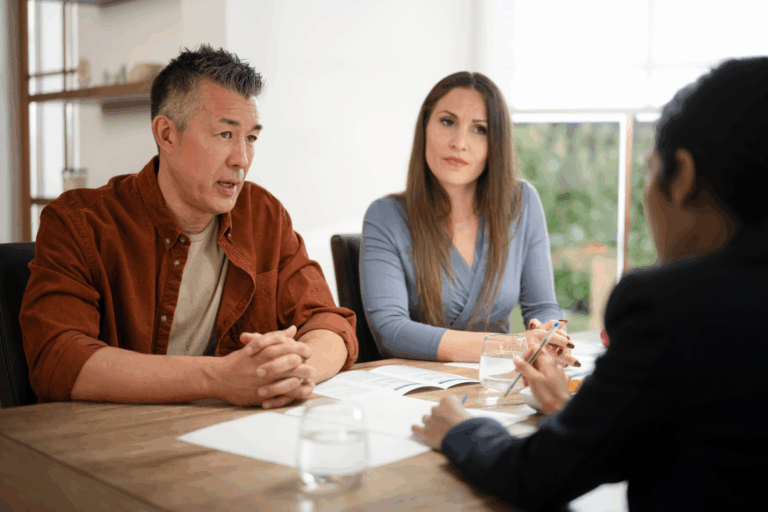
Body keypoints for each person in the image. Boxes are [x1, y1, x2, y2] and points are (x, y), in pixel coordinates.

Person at [412, 57, 768, 511]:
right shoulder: (390, 215)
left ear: (682, 177)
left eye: (648, 170)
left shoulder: (672, 309)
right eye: (447, 122)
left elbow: (535, 475)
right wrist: (574, 414)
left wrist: (462, 429)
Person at [19, 45, 357, 408]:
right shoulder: (78, 221)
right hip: (119, 444)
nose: (242, 159)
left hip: (233, 437)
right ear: (166, 135)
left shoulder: (263, 214)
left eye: (251, 138)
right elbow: (58, 359)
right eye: (225, 135)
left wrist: (294, 369)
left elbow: (329, 323)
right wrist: (220, 377)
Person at [360, 71, 575, 364]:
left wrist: (549, 336)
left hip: (497, 385)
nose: (459, 142)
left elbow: (543, 306)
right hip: (416, 393)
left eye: (480, 129)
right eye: (447, 122)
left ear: (495, 143)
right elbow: (391, 333)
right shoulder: (385, 216)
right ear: (425, 128)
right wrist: (511, 345)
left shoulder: (522, 202)